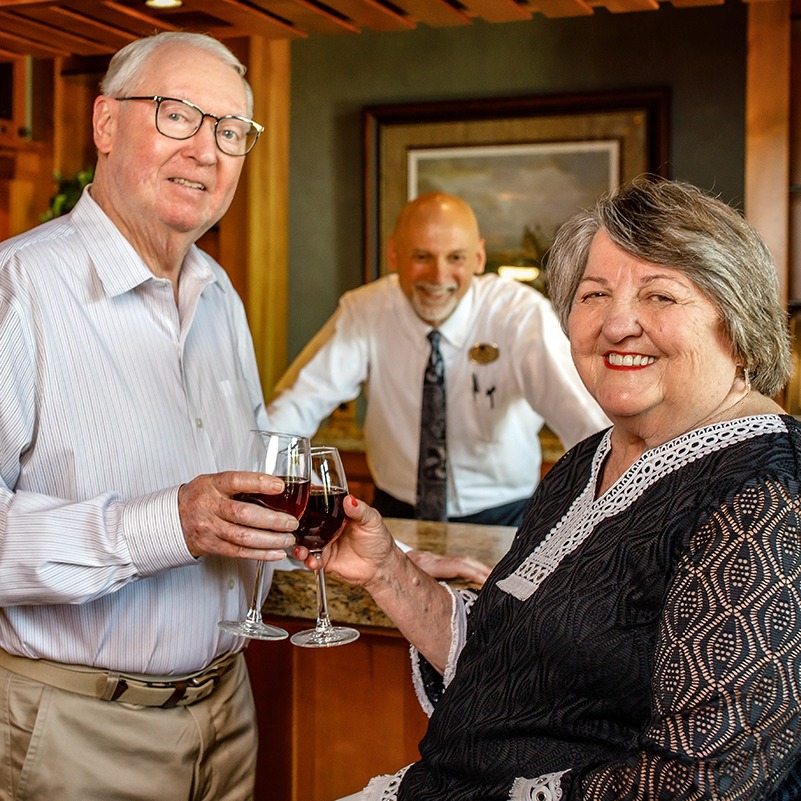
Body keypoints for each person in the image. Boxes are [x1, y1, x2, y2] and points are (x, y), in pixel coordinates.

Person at [316, 177, 801, 800]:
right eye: (595, 294)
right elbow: (508, 669)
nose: (619, 325)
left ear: (735, 321)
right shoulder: (588, 461)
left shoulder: (764, 501)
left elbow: (708, 781)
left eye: (661, 296)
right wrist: (388, 569)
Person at [0, 32, 306, 801]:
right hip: (74, 730)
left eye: (231, 130)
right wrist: (167, 523)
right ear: (105, 125)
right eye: (178, 115)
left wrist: (379, 555)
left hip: (226, 712)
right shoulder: (17, 289)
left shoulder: (219, 295)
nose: (207, 150)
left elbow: (250, 491)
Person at [267, 192, 609, 528]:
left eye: (456, 258)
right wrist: (300, 499)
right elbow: (289, 415)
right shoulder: (365, 312)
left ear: (478, 257)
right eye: (421, 256)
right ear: (393, 254)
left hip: (506, 518)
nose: (438, 276)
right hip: (393, 515)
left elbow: (589, 428)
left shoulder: (520, 316)